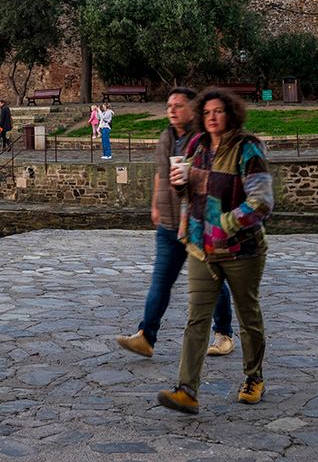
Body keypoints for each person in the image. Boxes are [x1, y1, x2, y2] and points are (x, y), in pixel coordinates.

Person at [157, 86, 274, 416]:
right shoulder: (197, 145)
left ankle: (254, 377)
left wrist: (227, 221)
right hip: (201, 248)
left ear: (231, 114)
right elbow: (189, 193)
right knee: (197, 319)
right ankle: (187, 390)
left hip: (241, 249)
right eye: (206, 112)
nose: (211, 117)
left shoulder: (247, 149)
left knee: (247, 315)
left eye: (217, 112)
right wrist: (180, 183)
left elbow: (262, 201)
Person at [116, 87, 235, 360]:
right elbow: (160, 175)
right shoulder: (166, 138)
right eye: (169, 105)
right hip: (170, 224)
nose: (171, 109)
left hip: (199, 223)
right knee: (160, 281)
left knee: (213, 280)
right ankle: (146, 336)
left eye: (178, 105)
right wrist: (155, 205)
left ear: (192, 110)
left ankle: (224, 334)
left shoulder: (206, 140)